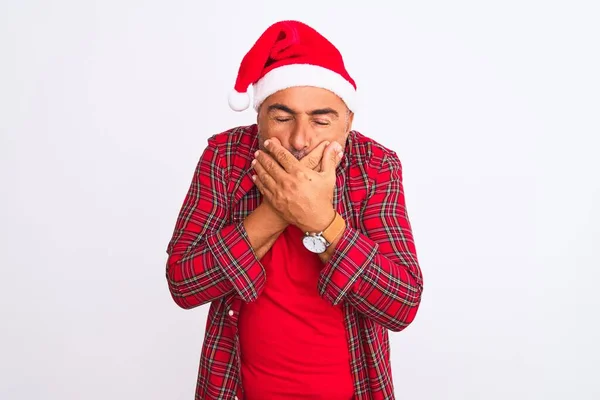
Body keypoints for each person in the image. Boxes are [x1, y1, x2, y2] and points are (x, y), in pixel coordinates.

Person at [165, 20, 423, 400]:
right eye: (282, 118)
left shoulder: (375, 166)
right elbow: (184, 284)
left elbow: (401, 304)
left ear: (349, 121)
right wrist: (278, 209)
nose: (300, 138)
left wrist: (318, 219)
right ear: (258, 117)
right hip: (236, 390)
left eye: (321, 120)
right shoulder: (225, 157)